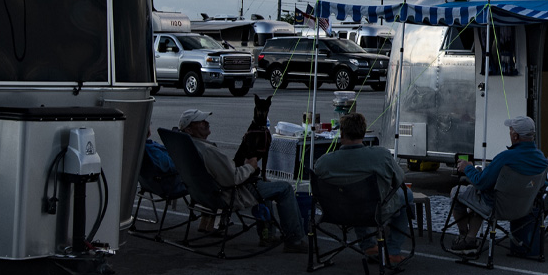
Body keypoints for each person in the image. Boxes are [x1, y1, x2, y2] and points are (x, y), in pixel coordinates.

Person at [177, 109, 306, 252]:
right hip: (229, 194)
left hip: (204, 194)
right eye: (201, 122)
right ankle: (294, 240)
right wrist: (250, 166)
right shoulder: (207, 150)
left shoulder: (186, 147)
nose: (206, 123)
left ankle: (267, 235)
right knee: (285, 189)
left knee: (265, 187)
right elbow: (233, 179)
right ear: (189, 129)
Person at [311, 112, 417, 266]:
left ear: (342, 133)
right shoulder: (381, 156)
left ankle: (369, 247)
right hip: (372, 211)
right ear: (363, 132)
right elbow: (400, 179)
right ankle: (393, 251)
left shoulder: (324, 162)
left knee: (354, 199)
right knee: (406, 194)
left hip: (336, 212)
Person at [451, 116, 548, 253]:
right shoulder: (542, 159)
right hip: (524, 208)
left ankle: (464, 236)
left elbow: (481, 182)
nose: (509, 133)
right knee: (478, 194)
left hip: (496, 208)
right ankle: (471, 238)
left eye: (510, 130)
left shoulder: (506, 158)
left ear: (515, 136)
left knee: (458, 191)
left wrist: (467, 167)